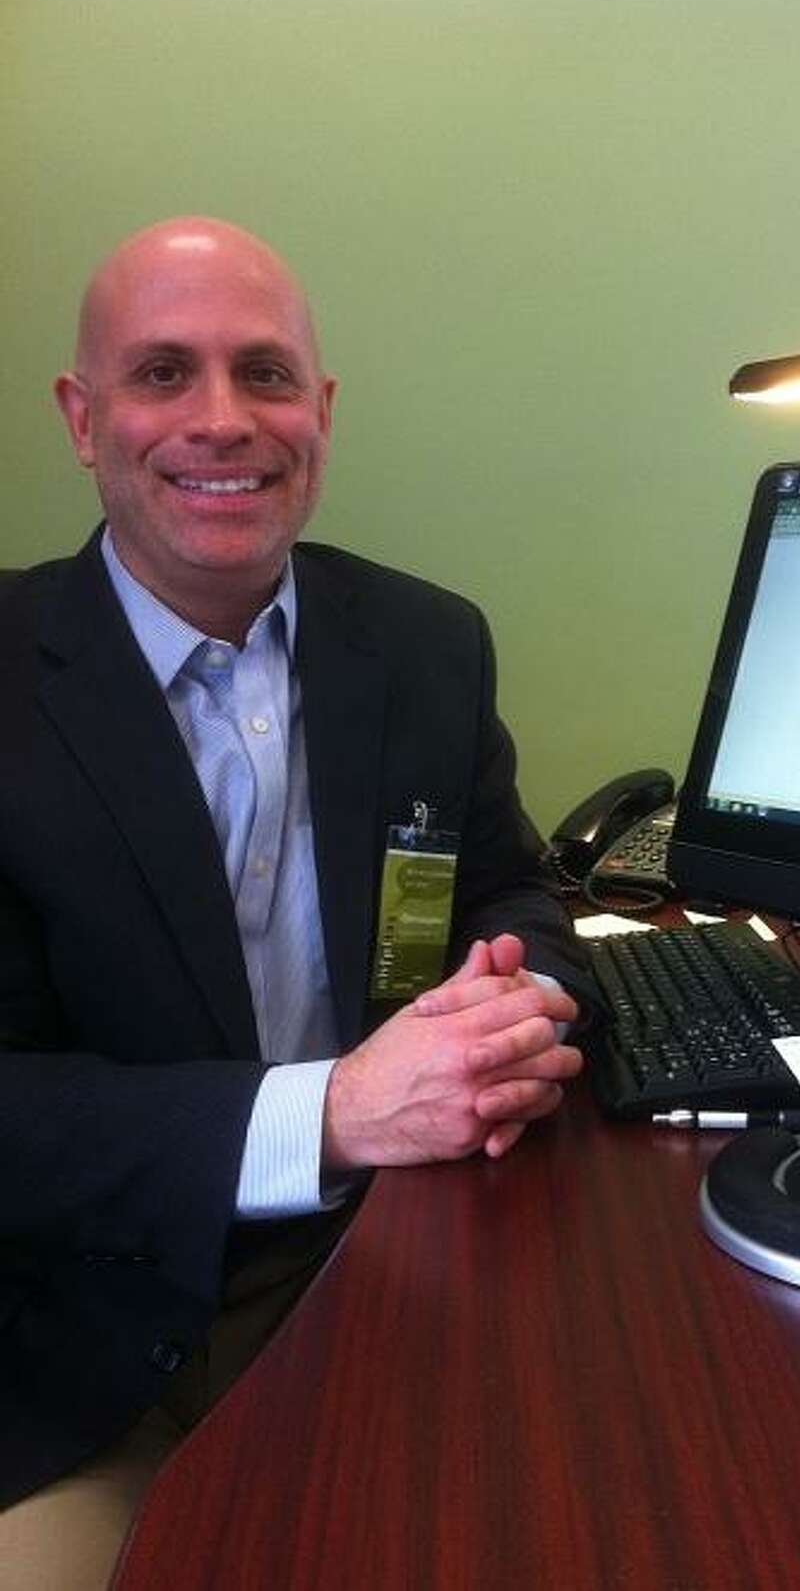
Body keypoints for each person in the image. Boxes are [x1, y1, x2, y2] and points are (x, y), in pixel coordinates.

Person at [0, 217, 591, 1585]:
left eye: (265, 374)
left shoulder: (430, 642)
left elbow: (509, 879)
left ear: (318, 413)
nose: (224, 422)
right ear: (82, 420)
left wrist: (523, 996)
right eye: (162, 374)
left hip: (398, 1271)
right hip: (84, 1342)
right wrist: (327, 1111)